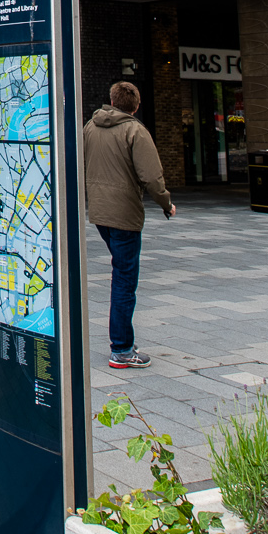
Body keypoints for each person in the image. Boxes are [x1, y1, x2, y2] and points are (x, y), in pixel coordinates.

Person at [83, 81, 175, 369]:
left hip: (99, 212)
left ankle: (123, 342)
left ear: (111, 100)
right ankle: (121, 349)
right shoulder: (135, 130)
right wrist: (166, 203)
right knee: (124, 280)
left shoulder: (90, 126)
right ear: (135, 106)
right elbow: (152, 176)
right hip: (124, 214)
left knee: (120, 273)